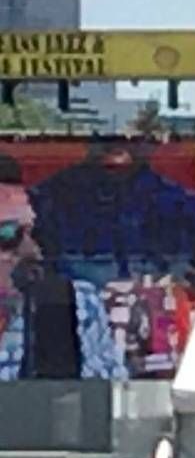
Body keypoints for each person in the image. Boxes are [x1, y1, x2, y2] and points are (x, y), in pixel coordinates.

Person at [0, 152, 124, 381]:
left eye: (32, 232)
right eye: (7, 235)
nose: (30, 249)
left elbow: (103, 395)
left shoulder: (77, 304)